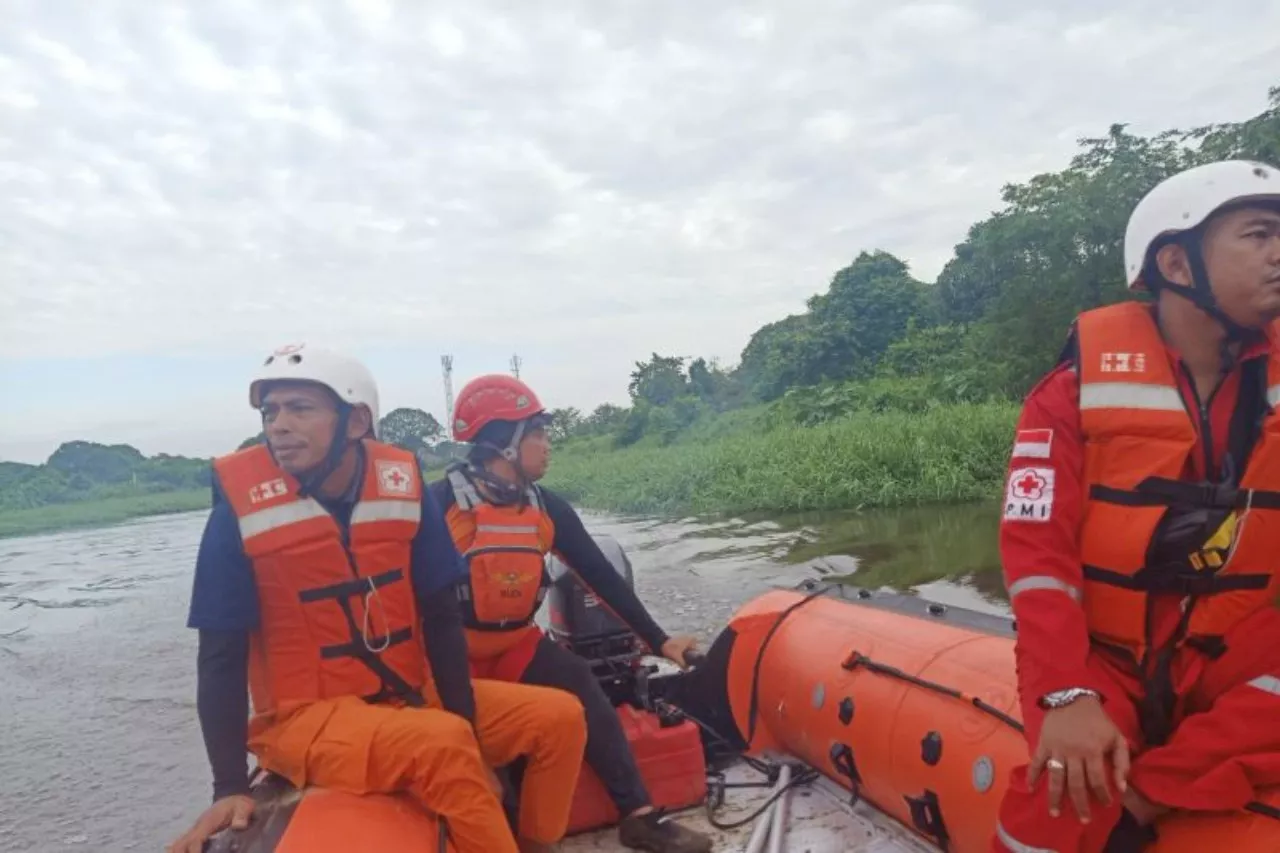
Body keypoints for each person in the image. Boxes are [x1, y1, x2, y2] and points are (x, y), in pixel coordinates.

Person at [168, 344, 588, 853]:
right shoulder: (237, 512)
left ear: (355, 421)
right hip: (306, 720)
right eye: (270, 411)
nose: (277, 425)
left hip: (405, 692)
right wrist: (228, 786)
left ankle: (535, 843)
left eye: (299, 408)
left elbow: (439, 616)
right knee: (444, 745)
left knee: (560, 718)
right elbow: (218, 657)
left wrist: (468, 724)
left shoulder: (401, 485)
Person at [993, 159, 1280, 853]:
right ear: (1178, 263)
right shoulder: (1068, 394)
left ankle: (1147, 794)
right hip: (1103, 655)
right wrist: (1066, 694)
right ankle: (1128, 786)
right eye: (1260, 235)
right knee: (1063, 787)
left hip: (1223, 650)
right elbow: (1037, 560)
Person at [428, 373, 714, 853]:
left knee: (579, 680)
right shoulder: (439, 505)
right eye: (538, 433)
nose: (547, 445)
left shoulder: (546, 507)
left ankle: (638, 816)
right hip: (450, 654)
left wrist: (658, 639)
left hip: (514, 644)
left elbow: (601, 578)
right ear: (506, 443)